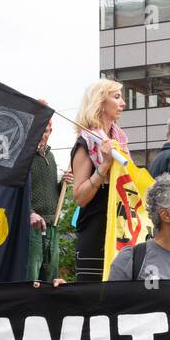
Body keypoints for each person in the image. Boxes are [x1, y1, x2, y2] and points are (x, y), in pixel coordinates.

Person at [69, 79, 129, 282]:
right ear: (100, 102)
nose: (123, 103)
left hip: (121, 232)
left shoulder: (120, 140)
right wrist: (103, 167)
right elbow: (79, 197)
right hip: (96, 233)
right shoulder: (85, 143)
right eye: (117, 97)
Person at [27, 106, 63, 282]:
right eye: (41, 130)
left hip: (52, 225)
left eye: (48, 131)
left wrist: (63, 183)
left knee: (51, 276)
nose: (44, 135)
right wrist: (30, 213)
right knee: (32, 277)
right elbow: (15, 191)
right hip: (32, 226)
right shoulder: (23, 157)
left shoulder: (51, 157)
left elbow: (50, 189)